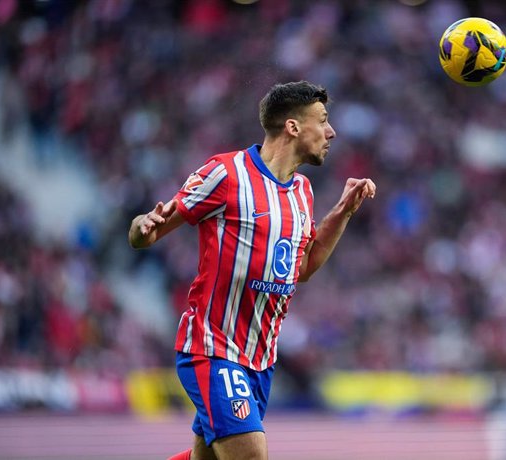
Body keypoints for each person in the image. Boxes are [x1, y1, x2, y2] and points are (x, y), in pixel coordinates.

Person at [128, 80, 376, 460]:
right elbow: (146, 234)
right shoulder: (226, 174)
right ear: (292, 127)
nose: (332, 131)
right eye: (323, 120)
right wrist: (143, 226)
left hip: (259, 361)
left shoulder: (302, 192)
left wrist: (342, 213)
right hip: (212, 349)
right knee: (250, 455)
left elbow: (303, 268)